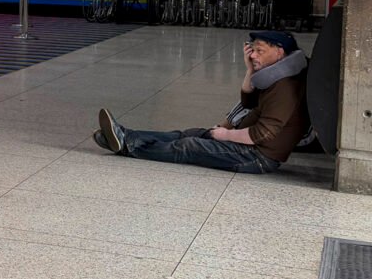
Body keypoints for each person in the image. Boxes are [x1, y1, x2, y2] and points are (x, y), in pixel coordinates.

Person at [95, 31, 308, 174]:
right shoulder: (276, 75)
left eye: (260, 51)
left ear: (280, 52)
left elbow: (262, 133)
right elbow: (248, 101)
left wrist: (225, 134)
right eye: (252, 50)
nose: (253, 55)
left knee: (189, 146)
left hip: (257, 157)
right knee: (190, 134)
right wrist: (250, 70)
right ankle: (126, 135)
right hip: (247, 144)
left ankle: (127, 146)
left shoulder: (285, 87)